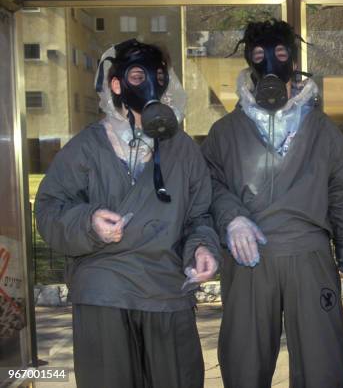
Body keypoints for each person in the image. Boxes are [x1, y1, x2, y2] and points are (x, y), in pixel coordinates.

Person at [35, 39, 220, 388]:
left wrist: (202, 249)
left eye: (159, 76)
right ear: (116, 85)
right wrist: (88, 222)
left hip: (166, 291)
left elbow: (201, 216)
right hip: (104, 290)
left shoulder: (183, 150)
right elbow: (49, 209)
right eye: (138, 76)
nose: (151, 85)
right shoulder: (86, 147)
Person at [201, 19, 343, 388]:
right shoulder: (225, 133)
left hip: (309, 256)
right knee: (244, 363)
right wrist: (232, 219)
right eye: (260, 55)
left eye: (281, 54)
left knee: (322, 363)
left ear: (293, 62)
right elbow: (208, 187)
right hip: (249, 260)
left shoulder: (322, 130)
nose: (271, 64)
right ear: (248, 61)